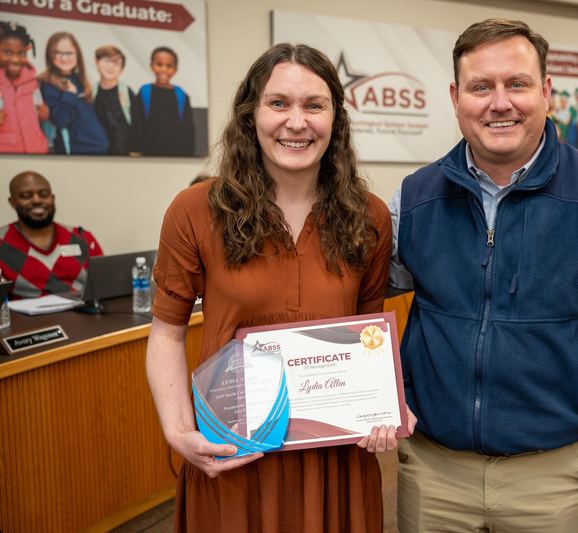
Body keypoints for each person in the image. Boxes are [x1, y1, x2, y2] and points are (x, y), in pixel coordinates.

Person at [389, 18, 578, 533]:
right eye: (481, 87)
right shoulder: (415, 198)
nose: (499, 103)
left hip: (552, 478)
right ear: (456, 98)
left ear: (546, 92)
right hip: (434, 475)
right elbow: (354, 296)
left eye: (517, 84)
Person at [145, 43, 401, 532]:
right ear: (251, 115)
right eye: (278, 103)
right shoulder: (195, 210)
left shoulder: (368, 217)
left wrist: (378, 409)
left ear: (336, 119)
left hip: (334, 460)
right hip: (232, 454)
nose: (296, 122)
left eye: (314, 105)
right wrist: (178, 431)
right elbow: (166, 334)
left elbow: (370, 340)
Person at [0, 171, 103, 299]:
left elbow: (104, 283)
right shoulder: (2, 241)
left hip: (82, 314)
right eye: (26, 196)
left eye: (43, 195)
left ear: (52, 198)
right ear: (12, 202)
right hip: (27, 318)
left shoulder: (81, 237)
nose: (37, 200)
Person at [38, 32, 109, 154]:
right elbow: (60, 121)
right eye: (58, 52)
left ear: (77, 54)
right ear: (50, 55)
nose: (64, 58)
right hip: (76, 153)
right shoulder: (48, 83)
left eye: (69, 53)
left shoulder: (81, 80)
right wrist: (69, 95)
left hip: (98, 150)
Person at [130, 46, 194, 156]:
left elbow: (188, 129)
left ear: (175, 70)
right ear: (152, 66)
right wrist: (136, 150)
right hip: (148, 154)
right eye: (159, 64)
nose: (164, 69)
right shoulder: (144, 91)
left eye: (169, 66)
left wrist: (189, 154)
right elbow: (137, 124)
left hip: (177, 155)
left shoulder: (181, 95)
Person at [0, 21, 49, 154]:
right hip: (6, 157)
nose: (15, 59)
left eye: (21, 53)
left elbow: (35, 113)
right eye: (8, 52)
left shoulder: (32, 81)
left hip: (36, 151)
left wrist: (44, 114)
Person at [92, 45, 135, 155]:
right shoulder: (90, 92)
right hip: (97, 152)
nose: (111, 66)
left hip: (123, 153)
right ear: (96, 62)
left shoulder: (127, 93)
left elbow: (137, 125)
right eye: (106, 61)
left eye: (116, 63)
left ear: (121, 70)